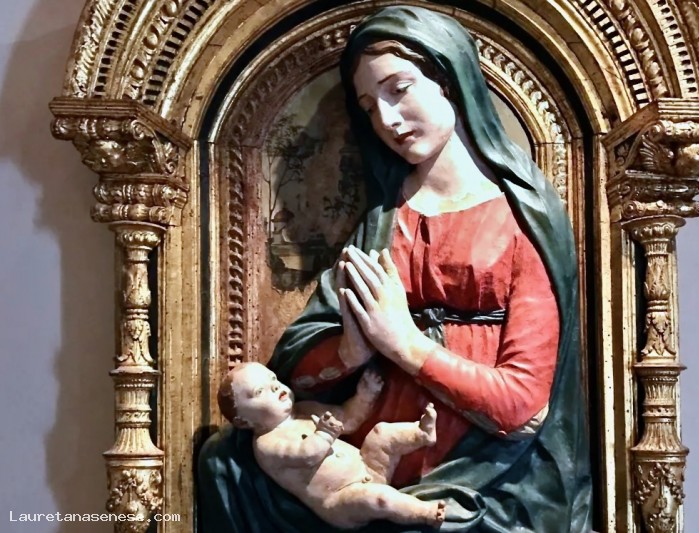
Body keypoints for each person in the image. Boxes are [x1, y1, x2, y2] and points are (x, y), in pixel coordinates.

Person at [199, 6, 592, 532]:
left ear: (449, 80)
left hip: (489, 465)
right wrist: (350, 351)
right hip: (367, 456)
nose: (386, 119)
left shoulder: (525, 219)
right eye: (368, 107)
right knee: (225, 463)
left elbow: (523, 402)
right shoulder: (384, 221)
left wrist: (404, 343)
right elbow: (300, 358)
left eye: (399, 89)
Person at [217, 362, 446, 529]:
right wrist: (324, 434)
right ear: (243, 421)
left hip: (367, 466)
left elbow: (347, 419)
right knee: (378, 499)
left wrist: (364, 396)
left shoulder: (304, 409)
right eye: (259, 392)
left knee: (381, 433)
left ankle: (421, 433)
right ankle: (425, 513)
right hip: (340, 500)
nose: (275, 387)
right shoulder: (266, 445)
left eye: (273, 379)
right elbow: (307, 455)